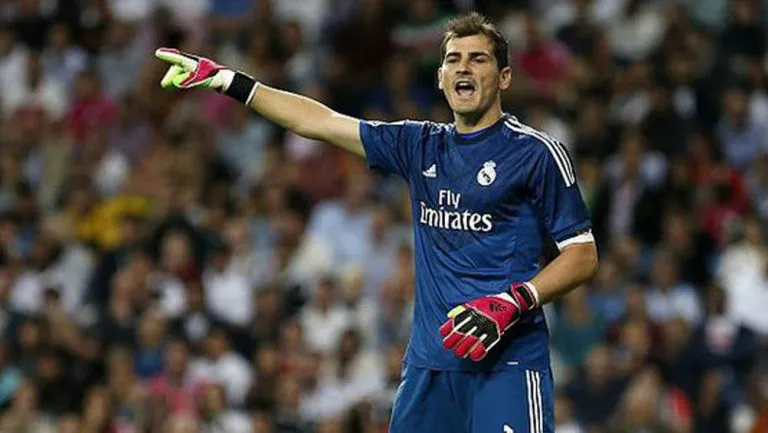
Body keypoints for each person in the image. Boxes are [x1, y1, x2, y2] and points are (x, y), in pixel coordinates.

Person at [154, 11, 598, 433]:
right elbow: (320, 121)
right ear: (441, 78)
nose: (463, 67)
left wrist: (514, 301)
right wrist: (228, 80)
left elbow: (582, 254)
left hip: (508, 365)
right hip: (429, 365)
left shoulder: (536, 154)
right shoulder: (419, 145)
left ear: (503, 78)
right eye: (452, 59)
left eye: (478, 58)